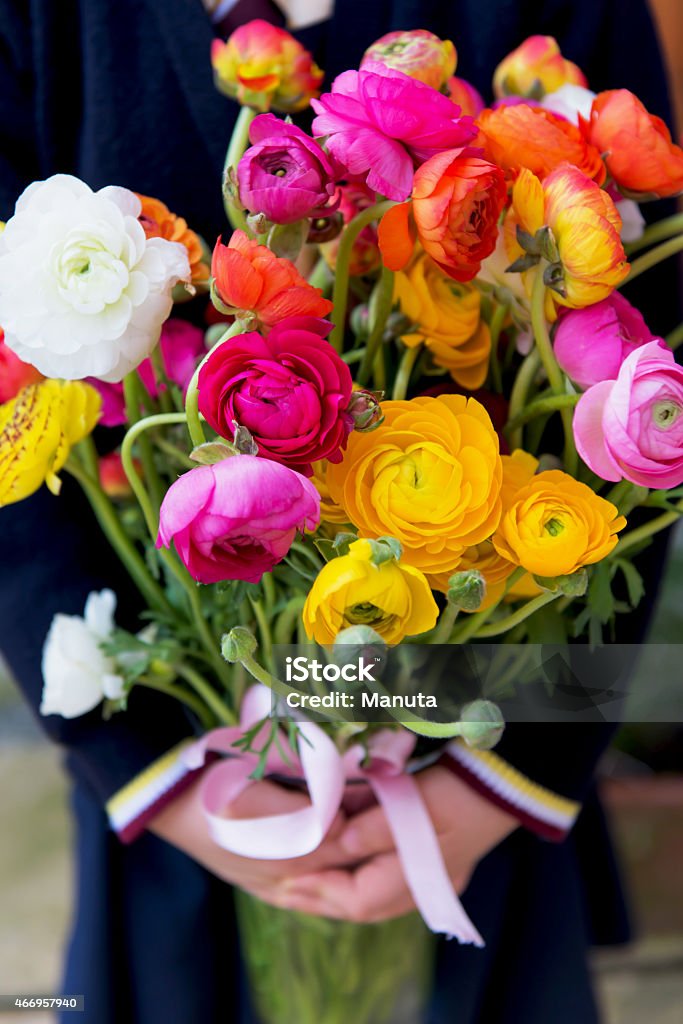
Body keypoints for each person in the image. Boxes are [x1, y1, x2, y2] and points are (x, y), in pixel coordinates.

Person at [0, 1, 677, 1021]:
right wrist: (149, 771)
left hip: (476, 788)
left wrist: (507, 780)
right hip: (180, 802)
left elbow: (654, 390)